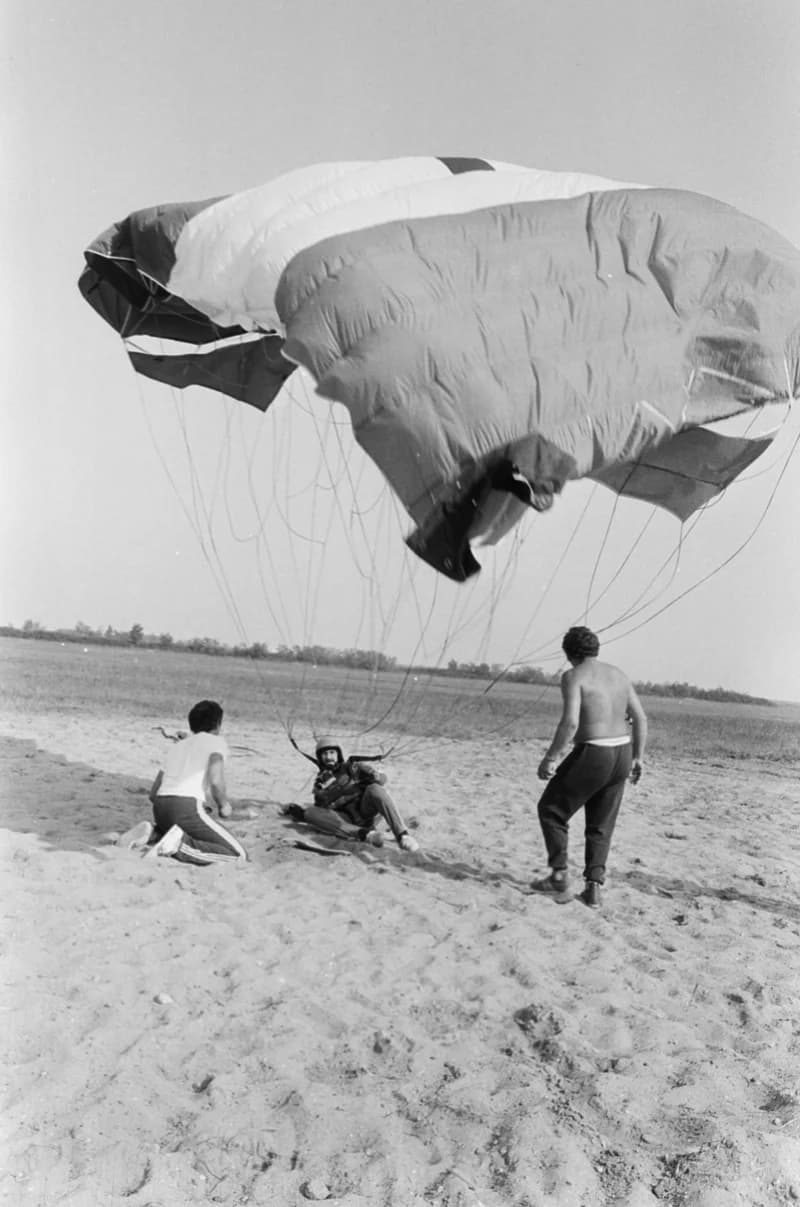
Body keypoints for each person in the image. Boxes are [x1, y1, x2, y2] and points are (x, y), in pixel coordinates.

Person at [530, 626, 646, 908]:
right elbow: (641, 718)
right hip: (622, 752)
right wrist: (638, 757)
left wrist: (550, 758)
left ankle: (559, 875)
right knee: (601, 824)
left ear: (569, 654)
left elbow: (570, 723)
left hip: (594, 753)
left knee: (551, 810)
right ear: (595, 650)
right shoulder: (618, 674)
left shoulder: (573, 676)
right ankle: (593, 888)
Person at [123, 700, 247, 865]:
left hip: (160, 808)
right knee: (237, 854)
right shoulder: (216, 742)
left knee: (191, 831)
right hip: (186, 808)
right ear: (218, 725)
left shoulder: (177, 747)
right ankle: (178, 847)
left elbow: (153, 793)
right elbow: (216, 780)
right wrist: (224, 805)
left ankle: (153, 833)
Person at [285, 736, 420, 852]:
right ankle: (367, 835)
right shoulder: (320, 782)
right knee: (311, 812)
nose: (328, 757)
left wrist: (375, 776)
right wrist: (303, 813)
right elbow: (323, 815)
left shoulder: (353, 767)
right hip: (346, 820)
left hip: (365, 811)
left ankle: (403, 836)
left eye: (332, 752)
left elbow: (383, 780)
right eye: (324, 754)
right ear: (320, 758)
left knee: (374, 788)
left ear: (338, 754)